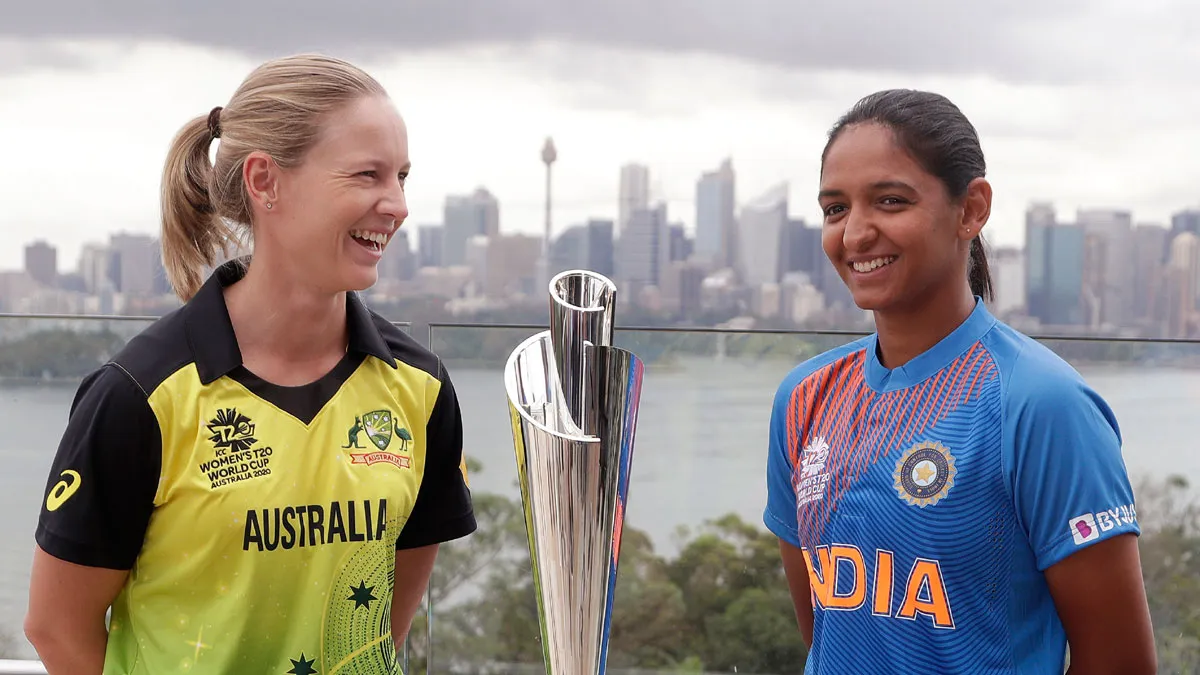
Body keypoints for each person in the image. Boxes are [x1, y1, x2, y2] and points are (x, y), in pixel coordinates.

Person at [24, 53, 477, 674]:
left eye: (401, 176)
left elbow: (377, 639)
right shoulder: (140, 396)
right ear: (265, 182)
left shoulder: (419, 388)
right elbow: (56, 628)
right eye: (367, 175)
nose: (397, 204)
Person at [763, 89, 1157, 674]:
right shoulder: (804, 399)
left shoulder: (1041, 404)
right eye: (836, 209)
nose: (855, 234)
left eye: (890, 201)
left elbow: (1120, 663)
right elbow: (826, 632)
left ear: (971, 209)